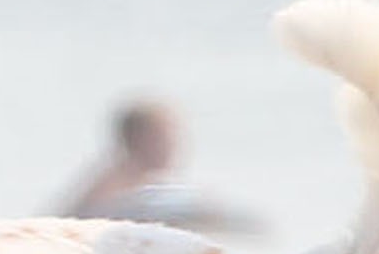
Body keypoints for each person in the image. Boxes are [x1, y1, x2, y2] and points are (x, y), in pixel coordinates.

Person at [52, 98, 264, 235]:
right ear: (137, 139)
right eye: (165, 137)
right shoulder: (116, 190)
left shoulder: (126, 181)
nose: (176, 146)